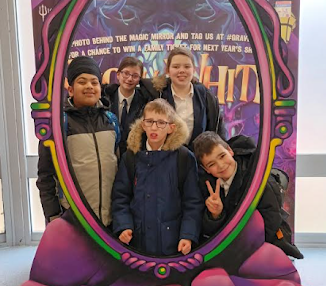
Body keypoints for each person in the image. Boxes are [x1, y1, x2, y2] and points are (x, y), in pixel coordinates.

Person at [112, 99, 204, 256]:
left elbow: (192, 202)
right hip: (137, 243)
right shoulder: (131, 157)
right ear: (143, 125)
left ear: (171, 128)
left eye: (161, 122)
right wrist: (123, 225)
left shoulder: (183, 158)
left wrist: (187, 235)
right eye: (149, 121)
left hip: (172, 243)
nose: (154, 127)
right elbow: (121, 196)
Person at [36, 56, 119, 227]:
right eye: (82, 81)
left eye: (94, 82)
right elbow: (46, 176)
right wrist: (53, 216)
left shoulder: (111, 121)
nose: (89, 86)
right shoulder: (58, 125)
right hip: (73, 221)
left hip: (110, 222)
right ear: (71, 89)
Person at [193, 131, 304, 259]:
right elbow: (210, 232)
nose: (221, 165)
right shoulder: (207, 186)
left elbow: (271, 220)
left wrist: (242, 253)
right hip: (230, 247)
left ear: (230, 151)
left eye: (222, 156)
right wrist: (215, 215)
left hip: (264, 243)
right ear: (206, 169)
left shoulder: (257, 176)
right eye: (211, 164)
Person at [140, 46, 225, 150]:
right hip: (164, 158)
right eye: (176, 67)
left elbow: (217, 132)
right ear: (168, 70)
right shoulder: (155, 95)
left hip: (197, 161)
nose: (181, 70)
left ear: (194, 69)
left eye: (187, 66)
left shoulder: (207, 97)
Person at [103, 57, 150, 157]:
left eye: (135, 76)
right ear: (118, 75)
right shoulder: (104, 99)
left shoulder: (145, 102)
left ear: (139, 80)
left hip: (134, 157)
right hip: (108, 154)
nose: (129, 79)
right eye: (126, 73)